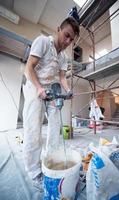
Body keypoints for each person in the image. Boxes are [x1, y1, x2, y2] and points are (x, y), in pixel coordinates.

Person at [22, 17, 80, 191]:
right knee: (33, 131)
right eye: (66, 35)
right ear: (58, 29)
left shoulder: (63, 57)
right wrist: (39, 88)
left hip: (51, 91)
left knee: (56, 128)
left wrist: (67, 89)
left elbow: (62, 77)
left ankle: (51, 162)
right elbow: (29, 68)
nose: (68, 41)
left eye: (71, 39)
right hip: (35, 87)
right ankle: (34, 172)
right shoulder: (43, 42)